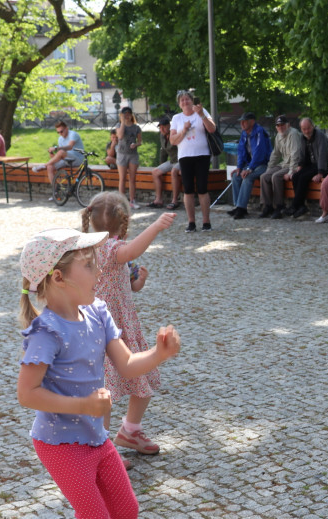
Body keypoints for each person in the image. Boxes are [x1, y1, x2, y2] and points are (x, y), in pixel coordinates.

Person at [17, 227, 181, 519]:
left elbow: (126, 365)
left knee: (126, 509)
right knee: (93, 518)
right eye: (89, 266)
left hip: (95, 437)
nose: (99, 273)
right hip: (59, 442)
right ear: (59, 278)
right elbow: (27, 394)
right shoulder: (46, 331)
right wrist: (82, 404)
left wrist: (158, 354)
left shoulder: (98, 312)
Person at [80, 192, 175, 466]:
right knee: (105, 391)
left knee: (140, 380)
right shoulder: (109, 248)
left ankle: (130, 431)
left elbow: (128, 283)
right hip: (105, 331)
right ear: (124, 223)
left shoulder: (95, 247)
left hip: (122, 327)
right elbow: (132, 251)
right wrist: (156, 226)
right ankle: (103, 448)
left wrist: (138, 282)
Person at [169, 90, 216, 232]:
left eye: (187, 99)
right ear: (179, 104)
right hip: (185, 156)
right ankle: (191, 222)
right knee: (188, 190)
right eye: (182, 100)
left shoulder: (202, 112)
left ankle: (206, 222)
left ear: (192, 100)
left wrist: (201, 114)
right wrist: (183, 130)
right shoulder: (177, 118)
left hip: (202, 155)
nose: (185, 102)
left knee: (202, 188)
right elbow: (172, 140)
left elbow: (212, 129)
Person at [228, 112, 271, 219]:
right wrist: (239, 167)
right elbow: (241, 151)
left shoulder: (259, 132)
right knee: (236, 176)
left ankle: (241, 209)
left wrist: (250, 169)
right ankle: (238, 206)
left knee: (247, 177)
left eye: (244, 121)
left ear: (252, 122)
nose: (242, 124)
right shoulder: (244, 133)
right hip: (251, 164)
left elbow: (259, 153)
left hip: (263, 164)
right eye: (241, 121)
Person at [259, 115, 303, 219]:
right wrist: (269, 168)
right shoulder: (278, 136)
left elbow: (295, 155)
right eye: (278, 125)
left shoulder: (293, 134)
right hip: (284, 163)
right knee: (264, 176)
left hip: (294, 165)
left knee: (276, 176)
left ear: (288, 125)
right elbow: (275, 154)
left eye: (282, 125)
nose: (280, 127)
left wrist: (291, 172)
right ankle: (267, 206)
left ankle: (279, 206)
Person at [287, 117, 328, 219]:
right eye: (304, 129)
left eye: (308, 128)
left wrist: (320, 173)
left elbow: (323, 155)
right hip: (311, 165)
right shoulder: (303, 138)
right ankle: (301, 206)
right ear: (301, 129)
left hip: (324, 166)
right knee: (295, 176)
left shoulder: (320, 136)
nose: (307, 131)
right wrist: (300, 166)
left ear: (313, 126)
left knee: (303, 178)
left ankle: (295, 205)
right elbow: (302, 154)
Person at [149, 117, 182, 209]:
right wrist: (161, 165)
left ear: (169, 126)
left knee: (174, 171)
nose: (162, 129)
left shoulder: (175, 133)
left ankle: (175, 201)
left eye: (164, 127)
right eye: (160, 127)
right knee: (155, 172)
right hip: (172, 161)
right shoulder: (162, 136)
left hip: (181, 160)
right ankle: (158, 199)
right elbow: (163, 151)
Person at [116, 107, 143, 209]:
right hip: (122, 154)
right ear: (121, 115)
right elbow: (120, 136)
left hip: (133, 154)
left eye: (128, 114)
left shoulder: (136, 128)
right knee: (122, 178)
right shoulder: (119, 125)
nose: (127, 115)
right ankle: (121, 202)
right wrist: (122, 122)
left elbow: (140, 141)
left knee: (132, 179)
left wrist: (136, 144)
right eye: (124, 114)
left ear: (131, 115)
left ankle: (132, 200)